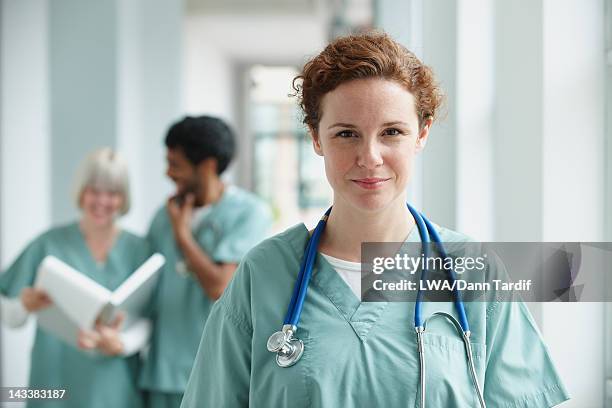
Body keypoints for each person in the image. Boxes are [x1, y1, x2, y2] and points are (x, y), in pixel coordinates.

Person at [180, 32, 570, 407]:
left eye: (392, 132)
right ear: (316, 138)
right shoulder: (263, 274)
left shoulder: (474, 272)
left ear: (422, 134)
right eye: (347, 133)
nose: (370, 157)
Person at [0, 148, 152, 408]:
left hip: (115, 385)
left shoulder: (140, 251)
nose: (102, 201)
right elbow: (10, 315)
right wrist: (25, 305)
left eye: (112, 193)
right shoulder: (48, 244)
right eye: (94, 190)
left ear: (123, 198)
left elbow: (152, 319)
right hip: (54, 384)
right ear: (81, 191)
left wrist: (122, 343)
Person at [139, 115, 272, 408]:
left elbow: (219, 287)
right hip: (164, 372)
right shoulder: (164, 217)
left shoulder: (248, 213)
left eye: (176, 165)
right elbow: (142, 286)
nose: (168, 173)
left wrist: (183, 236)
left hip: (220, 369)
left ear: (208, 166)